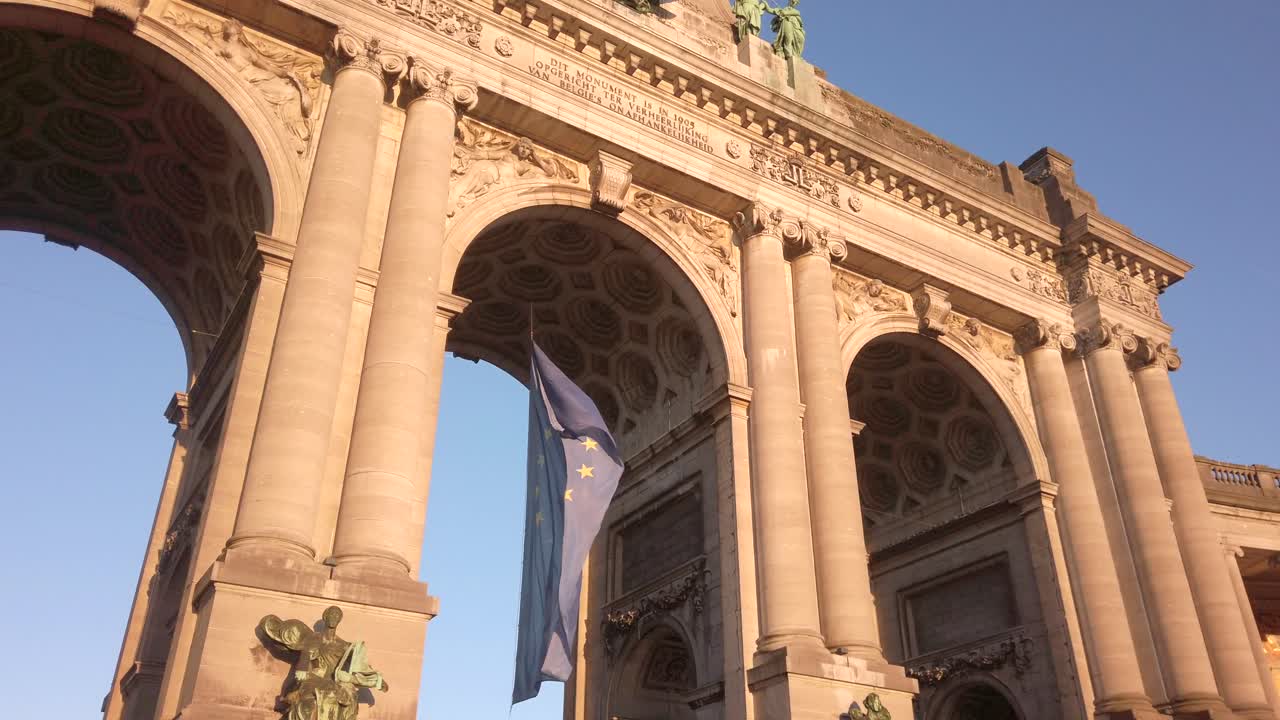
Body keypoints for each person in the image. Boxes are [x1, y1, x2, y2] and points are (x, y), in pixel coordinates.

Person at [258, 606, 388, 720]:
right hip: (312, 678)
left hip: (332, 682)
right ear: (325, 616)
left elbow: (360, 665)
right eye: (331, 614)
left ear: (339, 620)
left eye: (337, 615)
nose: (334, 617)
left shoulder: (344, 646)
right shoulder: (313, 638)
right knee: (310, 703)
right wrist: (302, 668)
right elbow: (306, 653)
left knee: (346, 698)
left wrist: (377, 680)